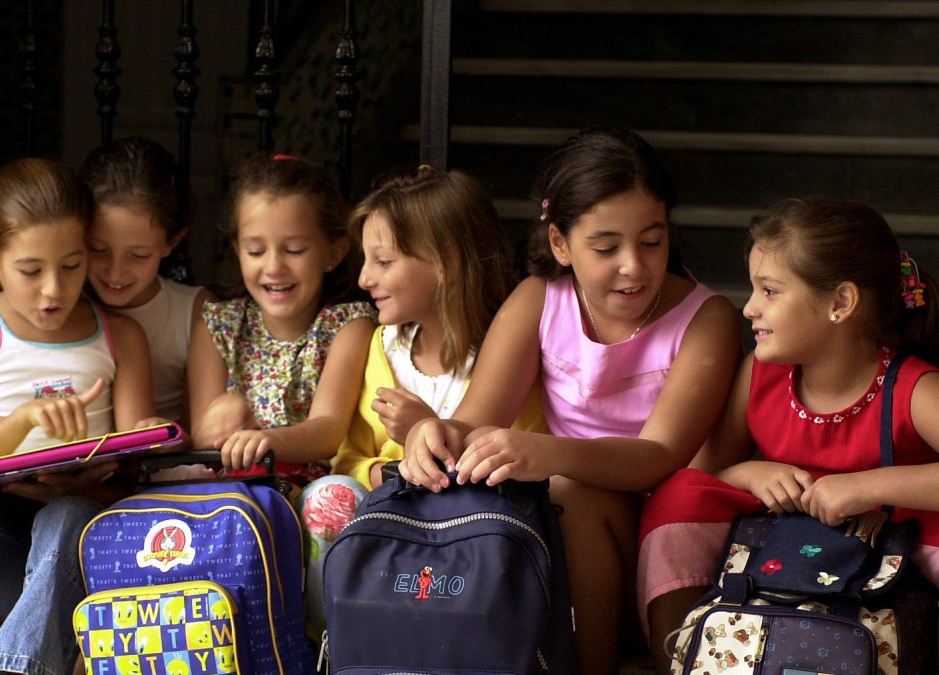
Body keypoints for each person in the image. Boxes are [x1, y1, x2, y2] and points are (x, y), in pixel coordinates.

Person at [398, 127, 742, 675]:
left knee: (570, 488)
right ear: (560, 243)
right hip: (567, 536)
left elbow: (660, 454)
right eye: (606, 248)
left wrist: (549, 453)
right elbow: (474, 419)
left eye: (652, 241)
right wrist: (430, 434)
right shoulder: (540, 299)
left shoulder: (707, 319)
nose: (634, 265)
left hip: (671, 550)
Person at [640, 198, 939, 672]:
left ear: (840, 303)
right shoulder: (761, 375)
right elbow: (704, 471)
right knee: (680, 495)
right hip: (786, 541)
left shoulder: (913, 387)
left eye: (770, 291)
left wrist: (867, 486)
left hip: (893, 543)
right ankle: (682, 658)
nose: (749, 307)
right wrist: (749, 471)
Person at [0, 157, 155, 675]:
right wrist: (22, 423)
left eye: (71, 266)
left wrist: (88, 482)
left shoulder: (120, 336)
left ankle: (13, 669)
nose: (53, 291)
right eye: (31, 270)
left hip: (78, 549)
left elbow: (138, 474)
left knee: (67, 516)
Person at [299, 166, 546, 636]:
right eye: (365, 260)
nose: (366, 277)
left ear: (445, 260)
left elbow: (523, 456)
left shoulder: (509, 356)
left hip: (473, 535)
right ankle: (342, 645)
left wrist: (428, 430)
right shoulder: (378, 349)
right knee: (327, 496)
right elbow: (348, 460)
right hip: (389, 525)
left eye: (384, 261)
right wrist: (390, 470)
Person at [188, 153, 374, 488]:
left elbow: (328, 428)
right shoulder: (220, 324)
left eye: (294, 250)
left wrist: (268, 439)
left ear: (333, 253)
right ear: (237, 251)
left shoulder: (348, 327)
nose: (273, 267)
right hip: (229, 489)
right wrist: (218, 421)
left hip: (308, 489)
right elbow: (202, 436)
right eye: (256, 252)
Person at [79, 136, 212, 425]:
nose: (115, 273)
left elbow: (204, 433)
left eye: (138, 255)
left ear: (171, 242)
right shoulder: (61, 304)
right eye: (98, 249)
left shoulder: (194, 312)